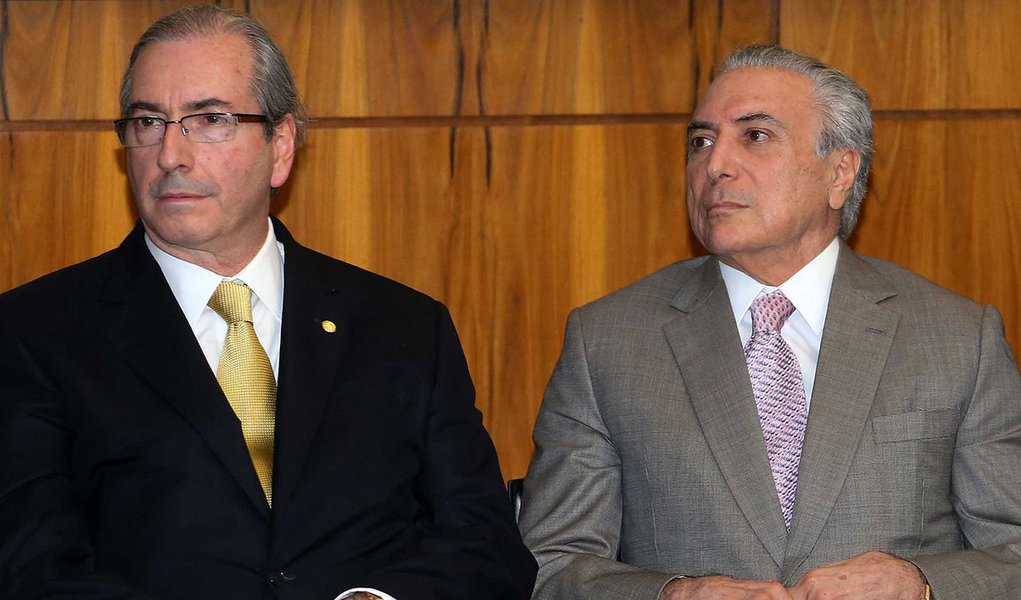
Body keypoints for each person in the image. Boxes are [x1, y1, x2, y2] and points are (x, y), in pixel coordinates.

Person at [0, 5, 535, 600]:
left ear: (281, 145)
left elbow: (485, 543)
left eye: (209, 119)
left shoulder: (405, 329)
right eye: (149, 121)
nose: (171, 154)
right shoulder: (35, 332)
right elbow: (31, 565)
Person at [518, 44, 1021, 600]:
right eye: (701, 141)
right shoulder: (608, 341)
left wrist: (921, 584)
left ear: (840, 172)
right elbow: (551, 563)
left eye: (754, 136)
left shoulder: (958, 338)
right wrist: (672, 596)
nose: (715, 165)